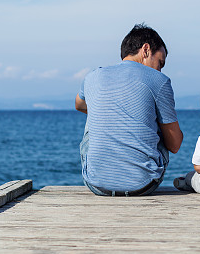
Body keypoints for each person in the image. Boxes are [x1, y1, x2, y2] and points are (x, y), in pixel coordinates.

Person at [75, 24, 183, 196]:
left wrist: (109, 111)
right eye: (160, 62)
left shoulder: (93, 76)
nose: (160, 69)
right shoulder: (159, 80)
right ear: (146, 49)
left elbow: (79, 105)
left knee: (94, 117)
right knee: (160, 125)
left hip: (96, 184)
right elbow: (175, 145)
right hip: (144, 185)